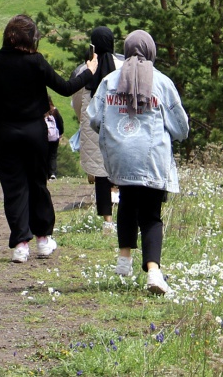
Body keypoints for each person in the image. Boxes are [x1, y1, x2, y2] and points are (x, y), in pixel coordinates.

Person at [0, 14, 98, 264]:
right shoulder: (36, 61)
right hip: (34, 133)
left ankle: (20, 245)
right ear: (31, 38)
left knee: (13, 188)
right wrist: (89, 71)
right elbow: (65, 87)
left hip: (5, 134)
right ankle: (42, 240)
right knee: (38, 185)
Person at [86, 29, 189, 295]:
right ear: (151, 51)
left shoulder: (109, 81)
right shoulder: (162, 82)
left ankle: (124, 259)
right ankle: (154, 272)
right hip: (152, 157)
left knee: (127, 203)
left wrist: (116, 135)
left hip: (121, 157)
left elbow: (94, 118)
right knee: (151, 214)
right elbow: (180, 127)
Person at [70, 27, 118, 234]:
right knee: (121, 168)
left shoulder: (85, 69)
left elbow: (77, 102)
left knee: (100, 173)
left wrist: (83, 119)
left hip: (93, 127)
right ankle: (126, 214)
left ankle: (108, 221)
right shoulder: (121, 66)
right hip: (118, 125)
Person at [43, 102, 64, 179]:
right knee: (53, 155)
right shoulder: (55, 111)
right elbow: (60, 123)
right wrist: (60, 133)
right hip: (54, 137)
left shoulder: (41, 111)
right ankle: (52, 173)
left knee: (44, 155)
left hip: (44, 137)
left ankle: (45, 173)